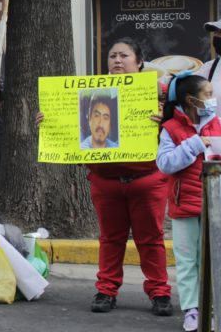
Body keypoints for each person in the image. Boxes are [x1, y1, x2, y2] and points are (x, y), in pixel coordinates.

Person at [36, 37, 171, 315]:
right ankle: (106, 291)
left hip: (147, 181)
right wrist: (48, 122)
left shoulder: (160, 93)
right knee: (110, 239)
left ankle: (160, 292)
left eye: (124, 55)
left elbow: (181, 129)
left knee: (151, 239)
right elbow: (69, 128)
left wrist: (165, 120)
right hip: (106, 182)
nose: (117, 61)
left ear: (139, 62)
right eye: (112, 56)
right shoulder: (90, 92)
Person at [157, 73, 220, 331]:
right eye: (208, 95)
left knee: (215, 260)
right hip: (184, 206)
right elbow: (165, 164)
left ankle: (214, 308)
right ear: (192, 100)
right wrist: (194, 144)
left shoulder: (217, 124)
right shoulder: (170, 129)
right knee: (186, 261)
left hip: (215, 207)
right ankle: (192, 310)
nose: (213, 99)